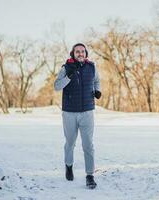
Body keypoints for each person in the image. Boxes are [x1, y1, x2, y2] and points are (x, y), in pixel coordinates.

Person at [54, 43, 101, 189]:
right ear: (73, 53)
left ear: (85, 53)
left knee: (88, 144)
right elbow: (56, 86)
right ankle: (69, 166)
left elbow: (96, 80)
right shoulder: (65, 68)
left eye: (82, 51)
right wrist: (68, 76)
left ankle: (90, 176)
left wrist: (97, 90)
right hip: (69, 112)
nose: (80, 53)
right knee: (70, 143)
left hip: (87, 111)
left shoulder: (92, 67)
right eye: (77, 51)